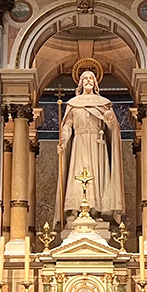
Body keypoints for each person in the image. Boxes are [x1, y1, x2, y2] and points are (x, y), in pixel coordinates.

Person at [57, 69, 124, 227]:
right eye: (84, 78)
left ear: (95, 83)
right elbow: (67, 126)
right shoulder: (73, 104)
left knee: (96, 174)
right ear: (80, 83)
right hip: (79, 143)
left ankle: (95, 211)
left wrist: (109, 120)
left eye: (91, 78)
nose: (87, 80)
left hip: (96, 143)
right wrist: (63, 140)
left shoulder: (103, 103)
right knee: (77, 173)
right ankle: (74, 211)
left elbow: (112, 128)